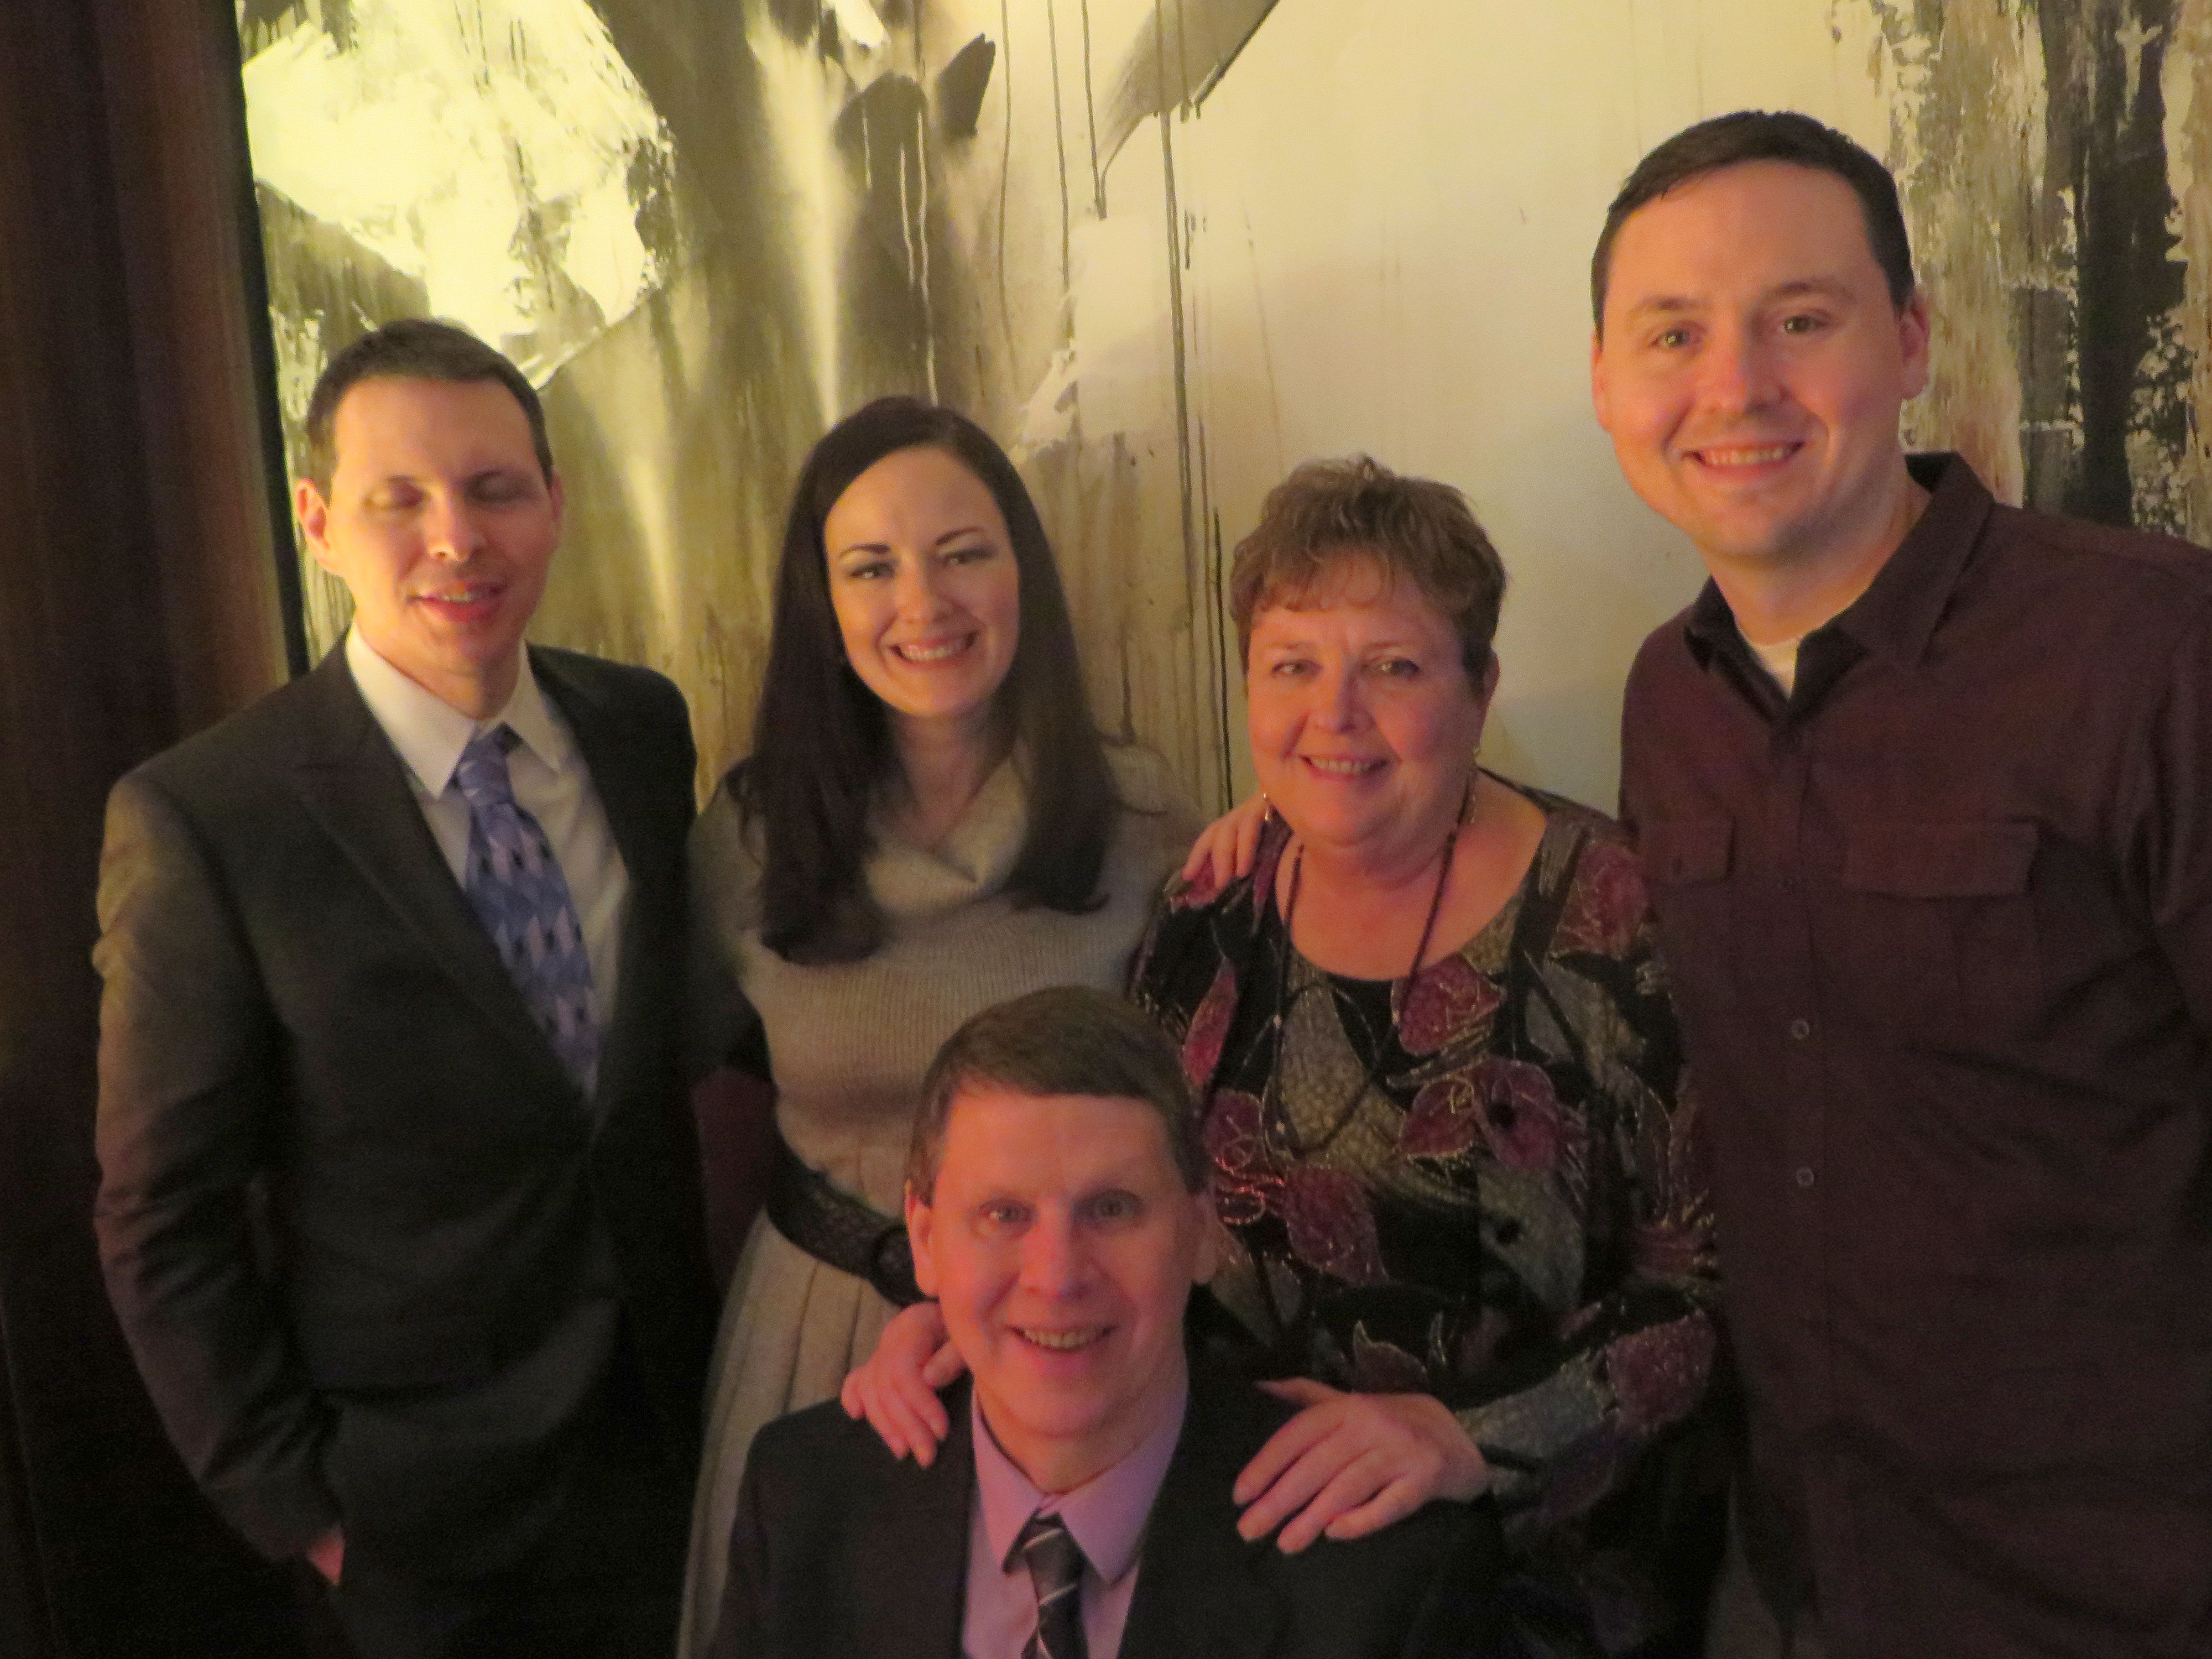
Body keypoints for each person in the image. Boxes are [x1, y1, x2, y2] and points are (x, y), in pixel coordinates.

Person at [848, 457, 1720, 1656]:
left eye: (1393, 668)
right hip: (1236, 1560)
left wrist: (1465, 1437)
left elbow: (1703, 1298)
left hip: (1519, 1578)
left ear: (1480, 689)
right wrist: (960, 1319)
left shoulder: (1612, 917)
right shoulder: (1208, 909)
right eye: (1292, 666)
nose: (1335, 715)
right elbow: (1125, 1207)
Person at [1592, 111, 2212, 1657]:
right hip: (1809, 1576)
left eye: (1800, 320)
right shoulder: (1667, 698)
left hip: (2127, 1593)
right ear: (1604, 381)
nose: (1735, 386)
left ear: (1912, 340)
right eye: (1673, 334)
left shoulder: (2150, 654)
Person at [91, 319, 715, 1658]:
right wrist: (304, 1513)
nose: (457, 538)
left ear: (553, 504)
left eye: (494, 489)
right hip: (413, 1524)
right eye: (400, 500)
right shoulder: (210, 819)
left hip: (669, 1449)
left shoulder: (641, 729)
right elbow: (161, 1216)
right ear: (319, 522)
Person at [679, 398, 1197, 1656]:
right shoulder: (746, 838)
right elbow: (693, 1096)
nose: (924, 602)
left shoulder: (1138, 815)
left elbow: (1199, 1115)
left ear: (1024, 572)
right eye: (871, 568)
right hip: (816, 1330)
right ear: (823, 602)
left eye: (963, 553)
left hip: (1067, 1324)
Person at [712, 985, 1509, 1659]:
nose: (1056, 1277)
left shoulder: (1387, 1581)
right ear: (925, 1241)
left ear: (1204, 1229)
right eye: (1003, 1214)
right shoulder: (804, 1502)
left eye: (1113, 1209)